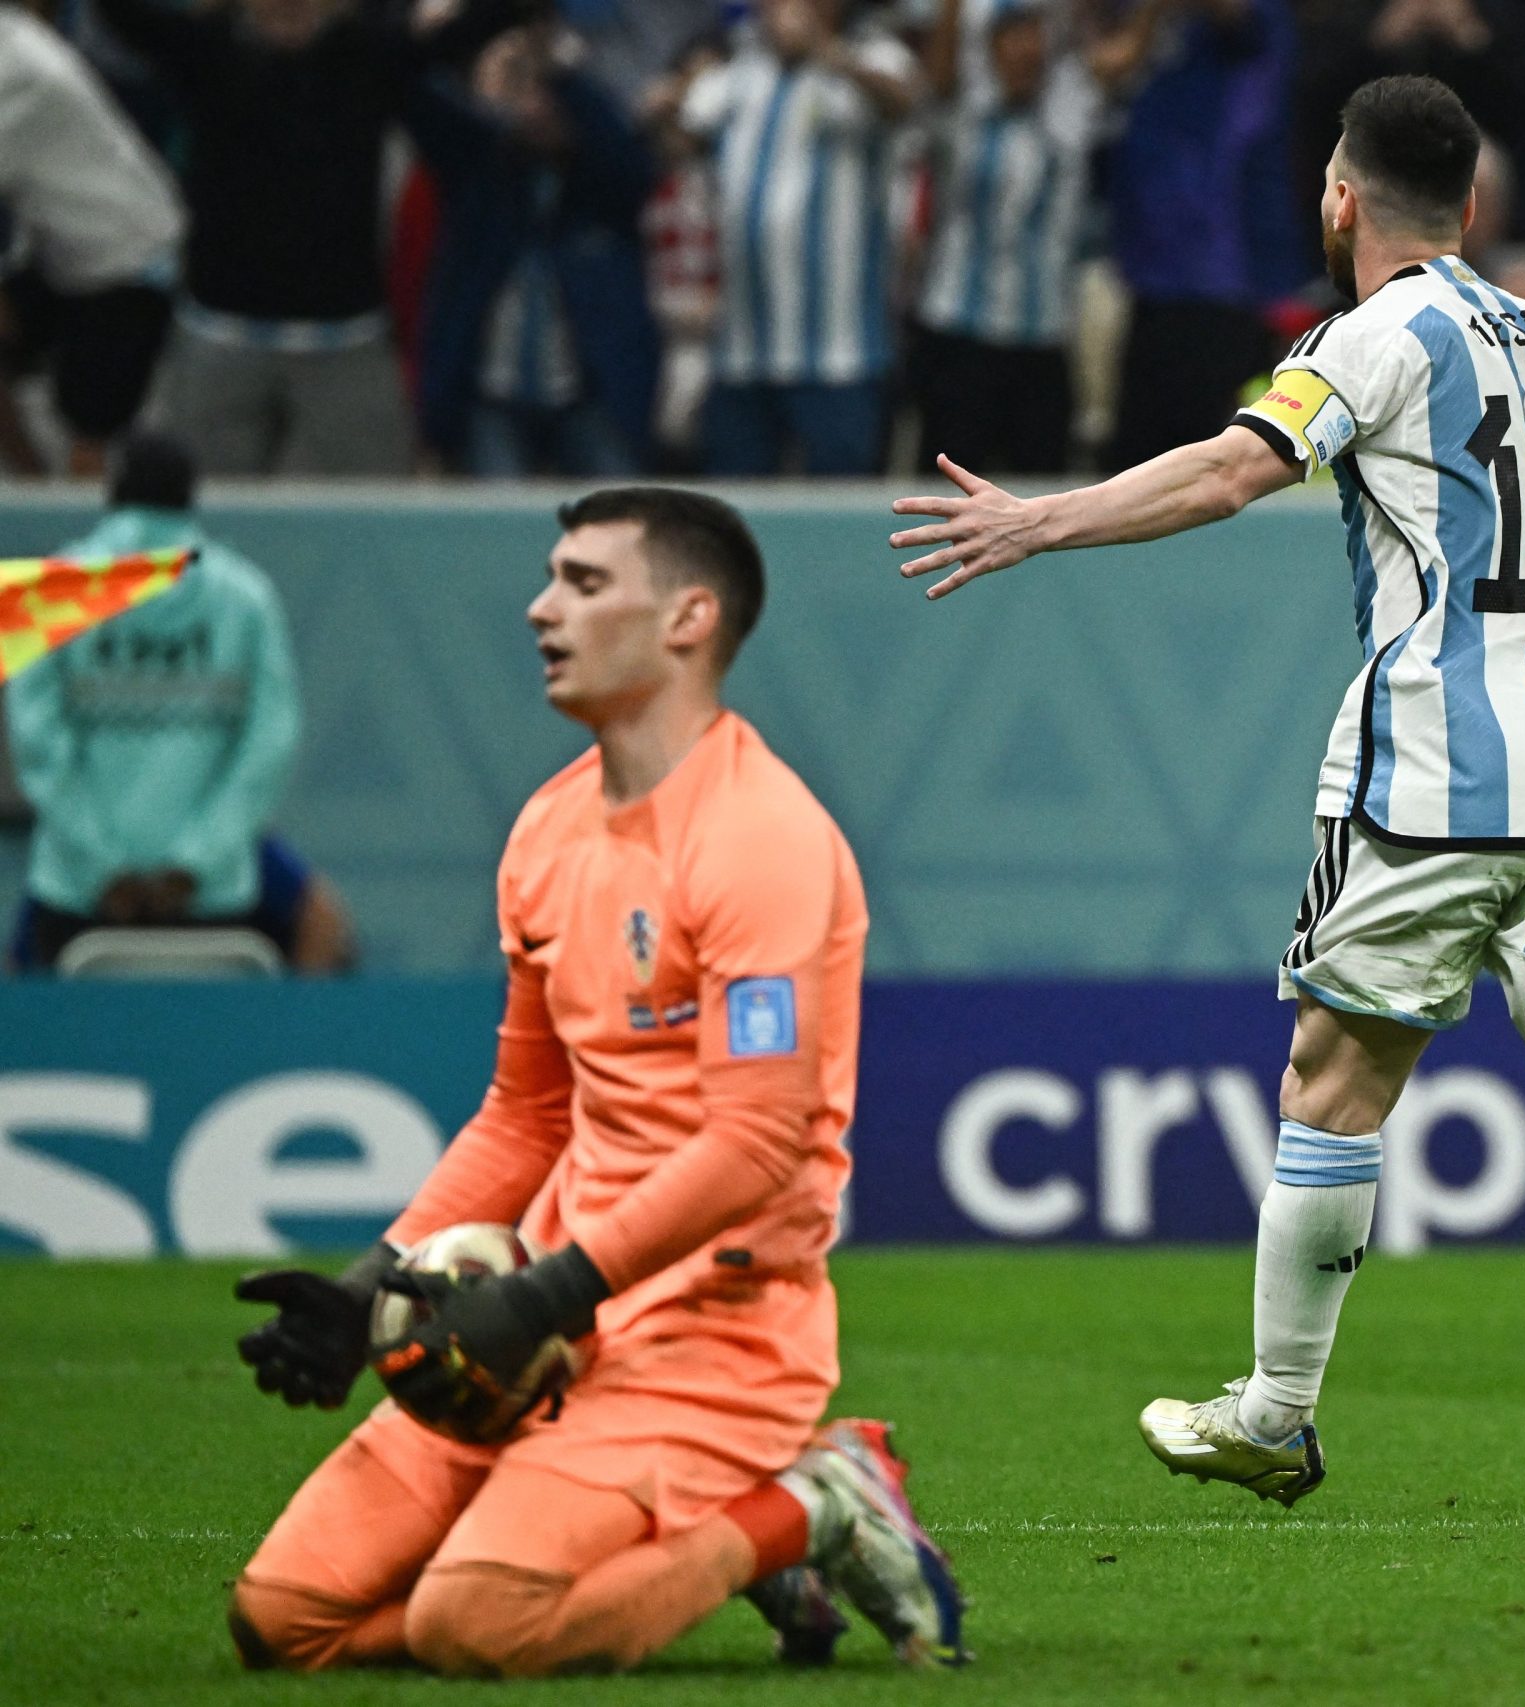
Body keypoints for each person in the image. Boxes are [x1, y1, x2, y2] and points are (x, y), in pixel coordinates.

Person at [887, 75, 1525, 1507]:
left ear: (1339, 197)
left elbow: (1230, 470)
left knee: (1331, 1080)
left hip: (1437, 773)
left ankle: (1274, 1408)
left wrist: (1038, 516)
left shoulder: (1366, 339)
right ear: (1476, 208)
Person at [224, 488, 966, 1675]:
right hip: (550, 1327)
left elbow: (757, 1141)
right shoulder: (547, 831)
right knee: (281, 1621)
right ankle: (693, 1543)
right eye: (549, 578)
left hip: (720, 1335)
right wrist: (377, 1282)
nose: (539, 608)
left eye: (581, 582)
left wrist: (546, 1291)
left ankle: (811, 1500)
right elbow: (526, 1114)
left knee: (475, 1625)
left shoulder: (758, 834)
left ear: (687, 618)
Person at [87, 0, 527, 477]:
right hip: (219, 338)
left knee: (371, 523)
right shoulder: (204, 49)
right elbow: (121, 13)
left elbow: (488, 19)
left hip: (346, 343)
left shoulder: (373, 54)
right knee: (198, 524)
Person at [6, 433, 353, 976]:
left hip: (80, 898)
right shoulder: (247, 596)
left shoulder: (51, 592)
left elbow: (38, 746)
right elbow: (270, 741)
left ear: (112, 494)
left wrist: (104, 869)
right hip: (212, 899)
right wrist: (195, 865)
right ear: (192, 496)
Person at [677, 0, 922, 475]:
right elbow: (680, 138)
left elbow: (903, 102)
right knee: (733, 523)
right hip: (743, 349)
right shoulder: (738, 72)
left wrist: (825, 51)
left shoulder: (875, 57)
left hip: (841, 355)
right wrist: (667, 103)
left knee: (841, 522)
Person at [409, 25, 662, 478]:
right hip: (493, 396)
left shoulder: (602, 190)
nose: (535, 106)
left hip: (591, 396)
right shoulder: (479, 176)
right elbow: (419, 98)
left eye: (545, 93)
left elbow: (631, 164)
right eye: (520, 89)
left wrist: (563, 73)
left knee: (616, 523)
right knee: (497, 536)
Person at [1091, 0, 1297, 470]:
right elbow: (1105, 68)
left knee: (1214, 473)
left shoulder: (1251, 25)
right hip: (1150, 280)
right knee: (1134, 473)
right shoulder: (1149, 29)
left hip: (1223, 283)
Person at [909, 0, 1096, 475]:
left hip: (1043, 337)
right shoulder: (962, 112)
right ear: (990, 49)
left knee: (1041, 496)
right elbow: (939, 74)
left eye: (1034, 34)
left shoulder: (1071, 108)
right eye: (1011, 36)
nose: (1024, 48)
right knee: (946, 492)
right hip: (958, 331)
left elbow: (1116, 56)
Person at [0, 6, 183, 479]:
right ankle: (32, 481)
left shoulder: (18, 71)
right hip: (58, 257)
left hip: (125, 265)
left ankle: (73, 527)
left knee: (91, 431)